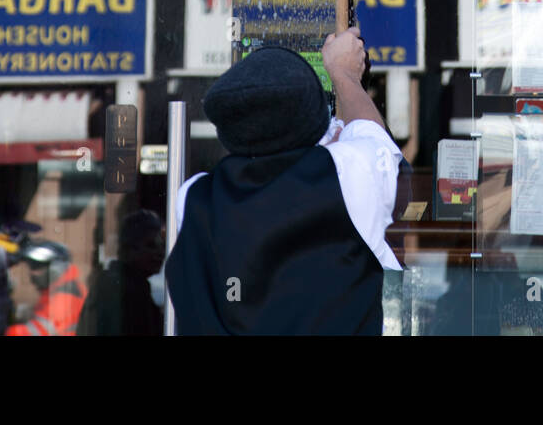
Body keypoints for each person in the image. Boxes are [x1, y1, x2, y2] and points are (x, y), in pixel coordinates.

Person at [166, 26, 403, 335]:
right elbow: (376, 145)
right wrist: (344, 75)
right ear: (314, 120)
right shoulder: (345, 176)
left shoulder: (195, 196)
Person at [77, 210, 165, 336]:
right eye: (151, 245)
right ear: (128, 249)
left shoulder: (129, 284)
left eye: (162, 246)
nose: (160, 253)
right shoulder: (123, 288)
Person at [5, 240, 86, 336]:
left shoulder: (64, 298)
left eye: (37, 266)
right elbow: (41, 313)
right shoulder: (61, 289)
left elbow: (35, 332)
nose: (32, 273)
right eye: (31, 267)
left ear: (56, 269)